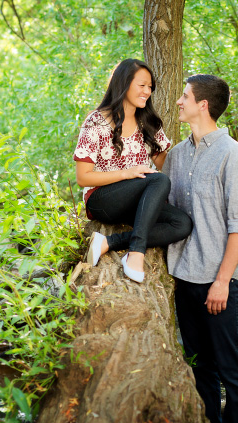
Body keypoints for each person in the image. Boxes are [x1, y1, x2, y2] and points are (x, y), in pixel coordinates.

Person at [163, 74, 238, 423]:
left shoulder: (232, 155)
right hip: (184, 277)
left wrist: (223, 280)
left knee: (231, 370)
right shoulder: (178, 155)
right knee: (201, 367)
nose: (179, 101)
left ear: (203, 105)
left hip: (220, 282)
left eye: (185, 96)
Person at [74, 59, 192, 283]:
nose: (147, 91)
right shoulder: (96, 122)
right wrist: (126, 173)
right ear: (124, 83)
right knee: (157, 181)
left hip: (137, 202)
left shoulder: (148, 122)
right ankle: (136, 253)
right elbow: (83, 177)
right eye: (142, 85)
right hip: (102, 199)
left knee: (182, 224)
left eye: (150, 87)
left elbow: (166, 165)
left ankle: (109, 243)